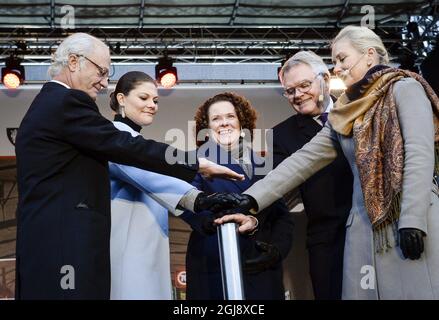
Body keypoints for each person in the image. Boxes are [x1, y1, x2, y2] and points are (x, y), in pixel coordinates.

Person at [14, 33, 245, 300]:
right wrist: (197, 167)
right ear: (74, 62)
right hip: (66, 251)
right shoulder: (67, 103)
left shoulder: (48, 105)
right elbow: (130, 150)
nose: (104, 82)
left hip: (50, 247)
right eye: (101, 71)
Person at [217, 25, 439, 299]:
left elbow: (419, 154)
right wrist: (250, 199)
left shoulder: (405, 88)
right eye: (334, 61)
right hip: (361, 232)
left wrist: (412, 220)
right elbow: (302, 161)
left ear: (369, 55)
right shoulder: (346, 112)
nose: (337, 68)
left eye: (342, 59)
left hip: (407, 222)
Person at [108, 72, 258, 299]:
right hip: (129, 241)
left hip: (146, 240)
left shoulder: (133, 140)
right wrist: (200, 200)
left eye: (155, 101)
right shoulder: (116, 136)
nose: (152, 105)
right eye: (144, 98)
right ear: (121, 99)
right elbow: (150, 176)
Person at [181, 92, 294, 300]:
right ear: (206, 128)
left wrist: (276, 251)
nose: (224, 123)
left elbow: (283, 217)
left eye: (230, 116)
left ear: (242, 121)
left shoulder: (264, 163)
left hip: (260, 264)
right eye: (216, 119)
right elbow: (186, 206)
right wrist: (210, 221)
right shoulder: (195, 161)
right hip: (215, 259)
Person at [273, 51, 353, 299]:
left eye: (304, 85)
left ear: (326, 80)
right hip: (326, 240)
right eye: (290, 91)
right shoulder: (280, 135)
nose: (298, 95)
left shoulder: (358, 111)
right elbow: (276, 190)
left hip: (372, 231)